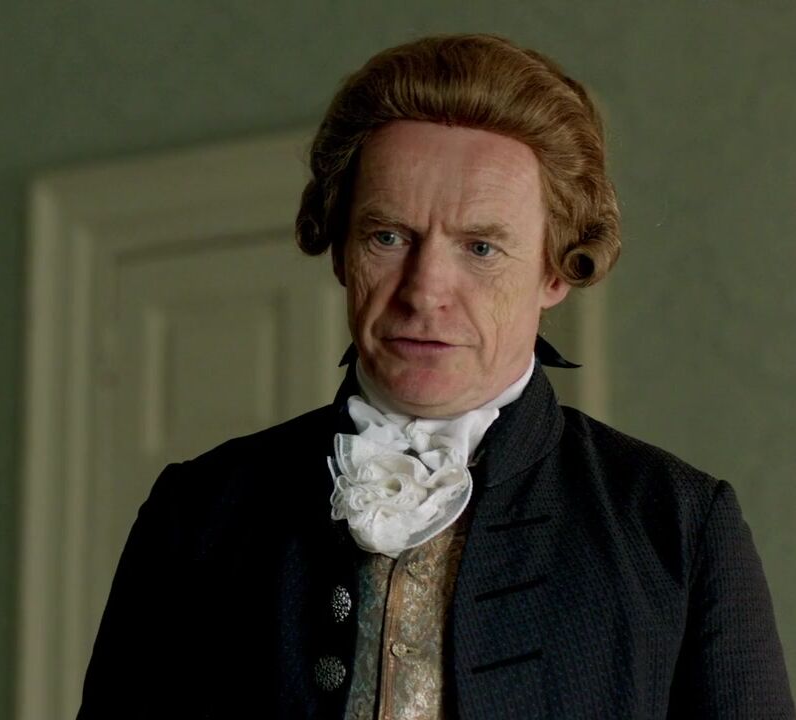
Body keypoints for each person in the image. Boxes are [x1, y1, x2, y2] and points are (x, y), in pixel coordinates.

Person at [77, 34, 794, 719]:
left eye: (481, 248)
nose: (424, 291)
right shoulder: (200, 510)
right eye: (388, 237)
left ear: (556, 271)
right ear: (340, 252)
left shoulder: (676, 524)